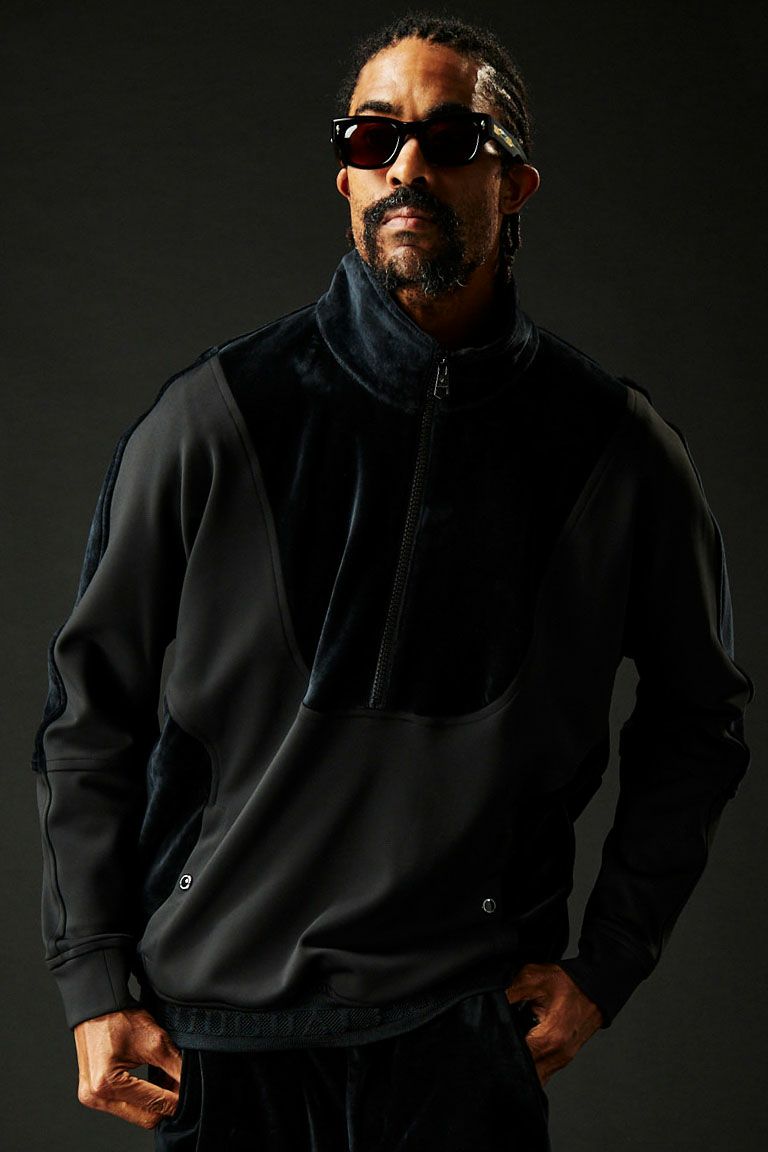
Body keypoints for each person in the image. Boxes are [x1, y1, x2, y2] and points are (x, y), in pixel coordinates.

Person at [32, 13, 753, 1151]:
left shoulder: (614, 450)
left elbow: (700, 720)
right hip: (221, 1041)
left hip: (460, 1041)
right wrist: (91, 977)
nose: (408, 164)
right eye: (374, 137)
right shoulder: (215, 418)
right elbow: (90, 709)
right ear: (347, 178)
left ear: (515, 182)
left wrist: (608, 964)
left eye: (451, 137)